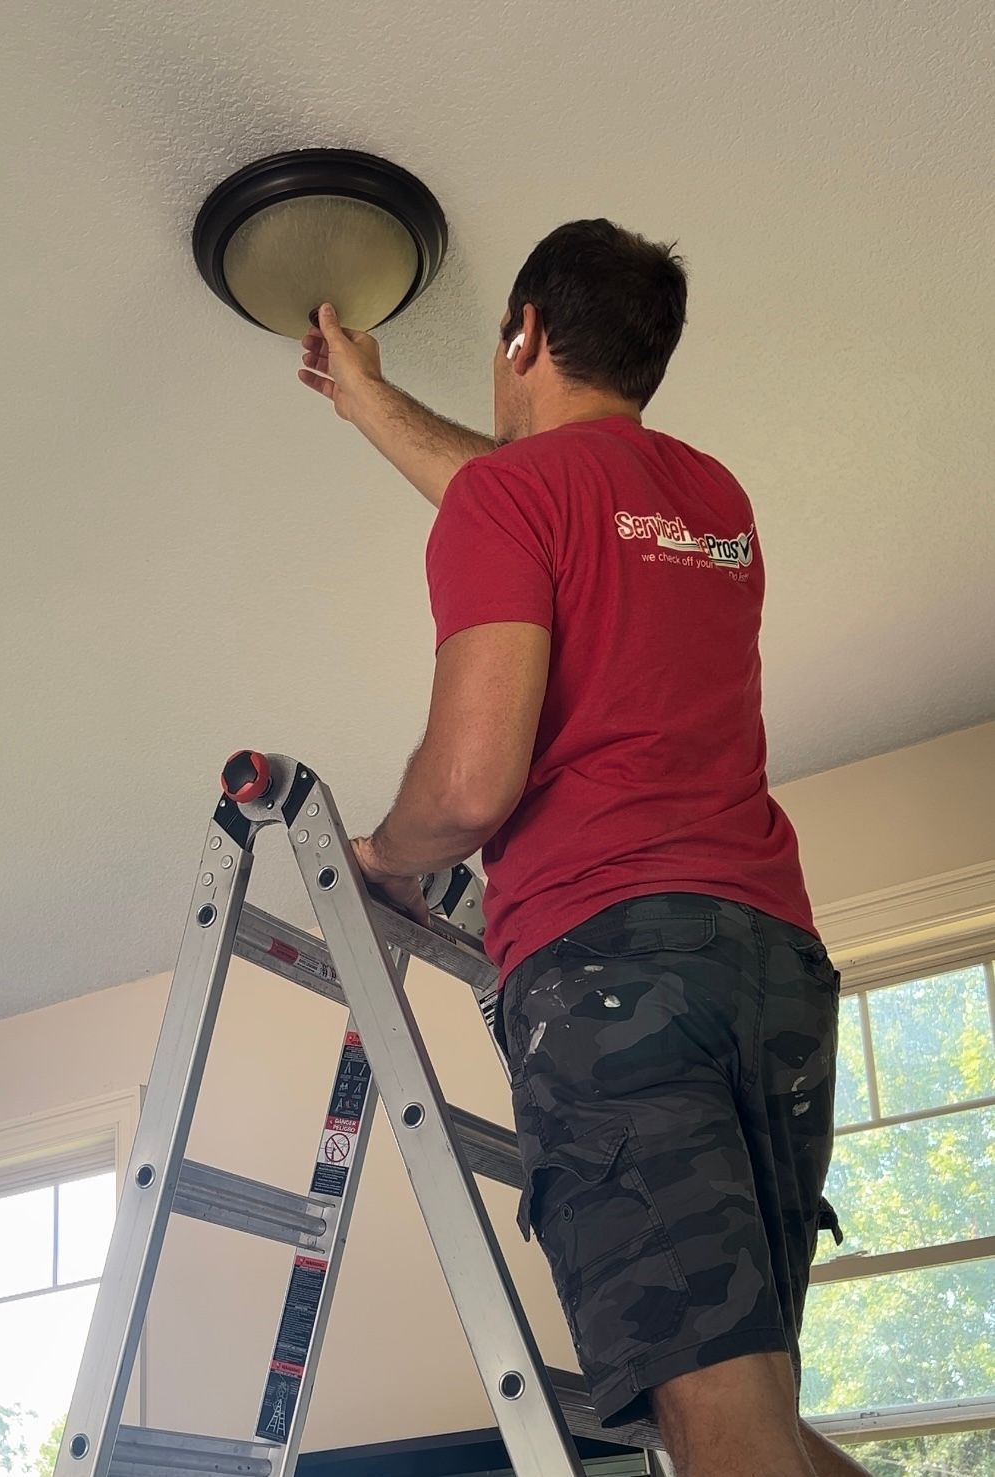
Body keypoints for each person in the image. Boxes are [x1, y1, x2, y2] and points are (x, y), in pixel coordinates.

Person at [298, 219, 867, 1477]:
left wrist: (383, 856)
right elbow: (538, 495)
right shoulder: (713, 501)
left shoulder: (513, 499)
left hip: (614, 970)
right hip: (771, 969)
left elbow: (468, 787)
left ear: (526, 334)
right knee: (752, 1415)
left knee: (720, 1427)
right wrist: (369, 400)